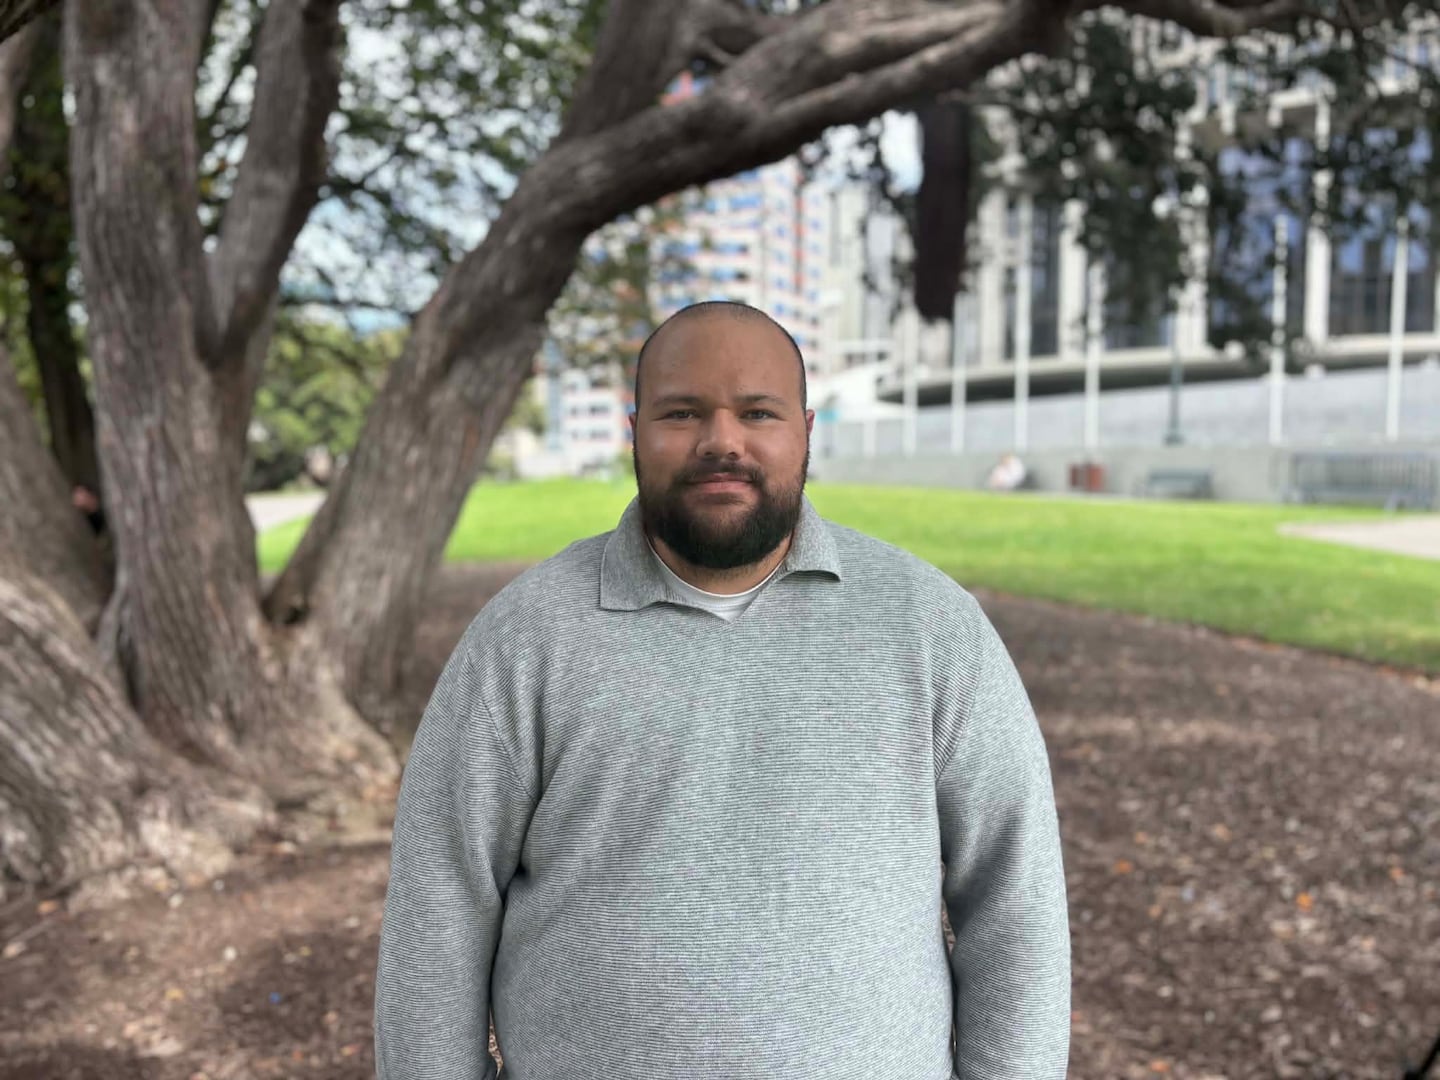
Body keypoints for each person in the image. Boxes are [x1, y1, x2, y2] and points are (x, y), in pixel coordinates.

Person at [374, 301, 1070, 1079]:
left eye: (758, 412)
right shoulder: (524, 637)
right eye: (682, 412)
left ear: (806, 431)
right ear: (634, 431)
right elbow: (438, 913)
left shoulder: (929, 625)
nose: (722, 442)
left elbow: (1017, 903)